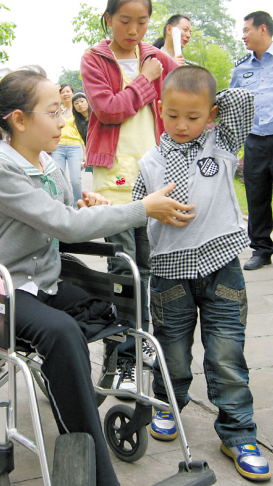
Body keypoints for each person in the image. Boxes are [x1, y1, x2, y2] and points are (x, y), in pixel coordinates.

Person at [0, 66, 195, 486]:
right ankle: (100, 475)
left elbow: (65, 215)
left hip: (46, 279)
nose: (65, 120)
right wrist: (142, 209)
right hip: (7, 288)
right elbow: (63, 226)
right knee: (63, 333)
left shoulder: (47, 162)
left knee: (118, 304)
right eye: (54, 112)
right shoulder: (1, 171)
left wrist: (89, 205)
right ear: (20, 120)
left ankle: (83, 386)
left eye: (64, 109)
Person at [132, 65, 270, 482]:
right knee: (172, 350)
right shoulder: (150, 160)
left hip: (221, 267)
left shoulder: (222, 143)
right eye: (172, 115)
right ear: (160, 110)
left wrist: (209, 103)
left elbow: (243, 102)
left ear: (211, 115)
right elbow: (138, 210)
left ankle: (238, 432)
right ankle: (168, 404)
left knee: (226, 354)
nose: (182, 125)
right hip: (171, 273)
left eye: (193, 117)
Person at [80, 0, 179, 386]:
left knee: (152, 265)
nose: (134, 29)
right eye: (125, 20)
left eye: (142, 21)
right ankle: (120, 357)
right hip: (115, 176)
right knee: (123, 267)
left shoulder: (159, 59)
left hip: (157, 171)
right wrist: (143, 79)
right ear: (108, 19)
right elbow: (108, 110)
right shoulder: (95, 59)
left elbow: (181, 100)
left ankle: (146, 350)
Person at [230, 11, 273, 270]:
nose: (243, 35)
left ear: (263, 29)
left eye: (246, 30)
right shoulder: (241, 67)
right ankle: (261, 249)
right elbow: (234, 103)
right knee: (256, 195)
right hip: (255, 140)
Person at [51, 84, 84, 207]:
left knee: (76, 181)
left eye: (68, 91)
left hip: (74, 148)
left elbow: (83, 133)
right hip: (58, 148)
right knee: (58, 178)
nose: (65, 94)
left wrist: (85, 152)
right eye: (62, 92)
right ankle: (61, 206)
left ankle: (78, 206)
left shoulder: (78, 111)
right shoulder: (58, 110)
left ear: (72, 92)